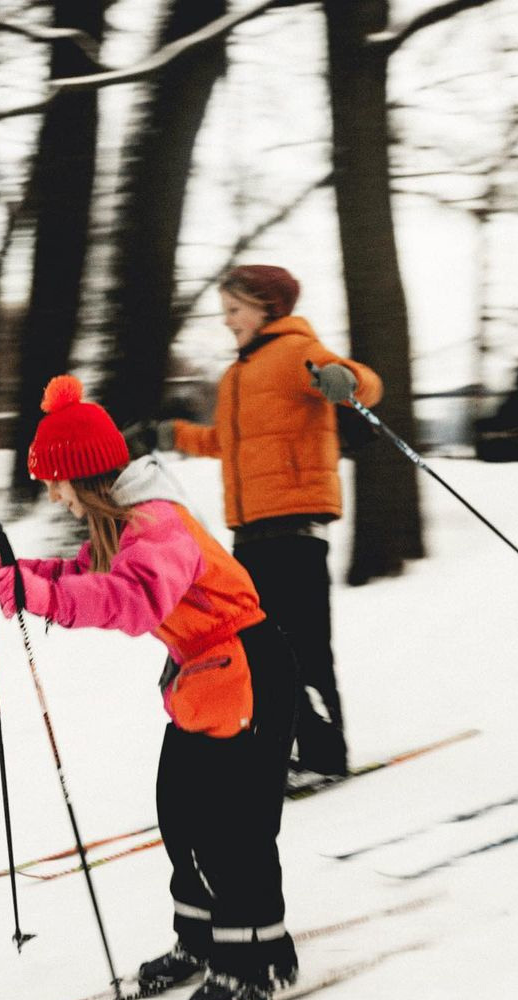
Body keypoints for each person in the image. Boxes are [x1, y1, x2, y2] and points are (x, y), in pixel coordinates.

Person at [0, 374, 299, 1000]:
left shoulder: (158, 523)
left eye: (55, 482)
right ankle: (201, 942)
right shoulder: (123, 522)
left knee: (233, 828)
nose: (53, 495)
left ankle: (255, 958)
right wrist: (16, 574)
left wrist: (40, 596)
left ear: (83, 475)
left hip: (248, 670)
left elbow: (132, 599)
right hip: (204, 676)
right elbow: (86, 575)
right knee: (181, 813)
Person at [142, 264, 383, 781]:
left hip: (296, 525)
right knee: (261, 646)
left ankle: (324, 753)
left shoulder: (297, 351)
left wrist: (348, 381)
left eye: (235, 310)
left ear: (266, 308)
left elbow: (364, 382)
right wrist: (171, 434)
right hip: (250, 532)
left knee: (303, 643)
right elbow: (225, 444)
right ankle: (292, 744)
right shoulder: (237, 376)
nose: (227, 320)